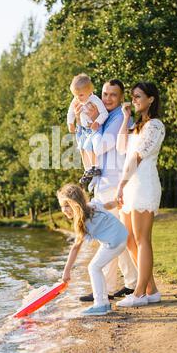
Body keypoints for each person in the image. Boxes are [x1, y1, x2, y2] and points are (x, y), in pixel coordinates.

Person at [74, 79, 138, 302]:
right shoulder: (105, 117)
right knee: (117, 238)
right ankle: (132, 282)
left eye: (113, 94)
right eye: (104, 94)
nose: (108, 98)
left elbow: (101, 146)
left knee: (110, 238)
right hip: (102, 185)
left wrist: (93, 122)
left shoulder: (119, 118)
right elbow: (84, 143)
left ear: (121, 97)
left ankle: (109, 288)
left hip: (114, 185)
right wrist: (85, 124)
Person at [115, 82, 165, 307]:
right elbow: (120, 147)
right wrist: (125, 119)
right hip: (130, 185)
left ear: (151, 99)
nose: (133, 100)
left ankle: (139, 294)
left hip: (143, 184)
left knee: (142, 239)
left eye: (138, 96)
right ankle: (151, 289)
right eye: (133, 97)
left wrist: (120, 185)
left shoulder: (155, 126)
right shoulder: (137, 125)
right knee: (128, 239)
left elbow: (137, 158)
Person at [57, 183, 128, 316]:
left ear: (75, 203)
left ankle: (100, 304)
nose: (64, 210)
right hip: (121, 236)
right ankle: (104, 302)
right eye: (62, 206)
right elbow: (107, 206)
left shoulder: (81, 220)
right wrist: (116, 203)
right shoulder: (92, 206)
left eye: (67, 205)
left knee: (93, 268)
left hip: (114, 242)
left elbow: (75, 248)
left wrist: (66, 271)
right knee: (96, 267)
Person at [67, 73, 108, 185]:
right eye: (75, 95)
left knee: (91, 146)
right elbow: (70, 112)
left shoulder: (95, 100)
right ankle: (88, 170)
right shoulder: (76, 100)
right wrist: (70, 123)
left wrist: (97, 122)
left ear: (89, 92)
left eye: (80, 95)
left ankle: (96, 167)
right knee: (82, 149)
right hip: (84, 130)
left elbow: (104, 113)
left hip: (95, 128)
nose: (77, 98)